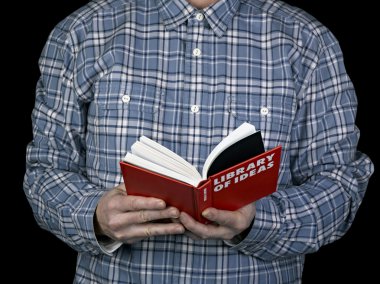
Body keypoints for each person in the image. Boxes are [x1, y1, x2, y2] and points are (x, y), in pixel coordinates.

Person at [24, 0, 374, 282]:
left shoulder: (307, 41)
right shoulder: (81, 32)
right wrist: (95, 216)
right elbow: (44, 170)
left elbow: (342, 185)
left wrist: (259, 221)